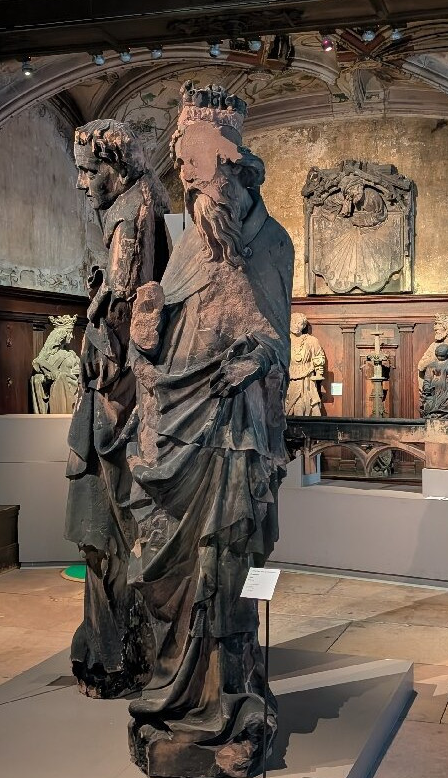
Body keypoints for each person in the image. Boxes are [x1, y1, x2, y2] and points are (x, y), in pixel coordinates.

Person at [125, 82, 293, 778]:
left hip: (233, 435)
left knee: (229, 570)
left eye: (189, 151)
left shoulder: (270, 242)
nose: (180, 165)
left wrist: (258, 358)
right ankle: (181, 696)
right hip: (181, 430)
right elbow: (163, 340)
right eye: (176, 152)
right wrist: (146, 326)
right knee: (170, 570)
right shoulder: (189, 239)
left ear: (226, 156)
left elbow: (275, 336)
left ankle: (237, 704)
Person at [64, 119, 172, 699]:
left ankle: (118, 655)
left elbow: (126, 307)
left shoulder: (131, 214)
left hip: (118, 399)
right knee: (111, 534)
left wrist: (99, 333)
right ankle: (118, 649)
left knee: (111, 530)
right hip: (118, 391)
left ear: (115, 167)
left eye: (88, 171)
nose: (82, 183)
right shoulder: (141, 203)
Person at [30, 315, 80, 414]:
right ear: (61, 335)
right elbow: (38, 364)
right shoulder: (50, 357)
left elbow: (78, 376)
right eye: (69, 333)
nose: (71, 336)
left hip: (72, 393)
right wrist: (51, 375)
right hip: (58, 392)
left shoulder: (71, 355)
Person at [285, 312, 325, 416]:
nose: (297, 326)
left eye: (300, 324)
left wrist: (319, 372)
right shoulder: (284, 341)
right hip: (289, 379)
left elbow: (319, 356)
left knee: (303, 406)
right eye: (294, 322)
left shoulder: (311, 341)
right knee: (288, 406)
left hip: (306, 379)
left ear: (304, 326)